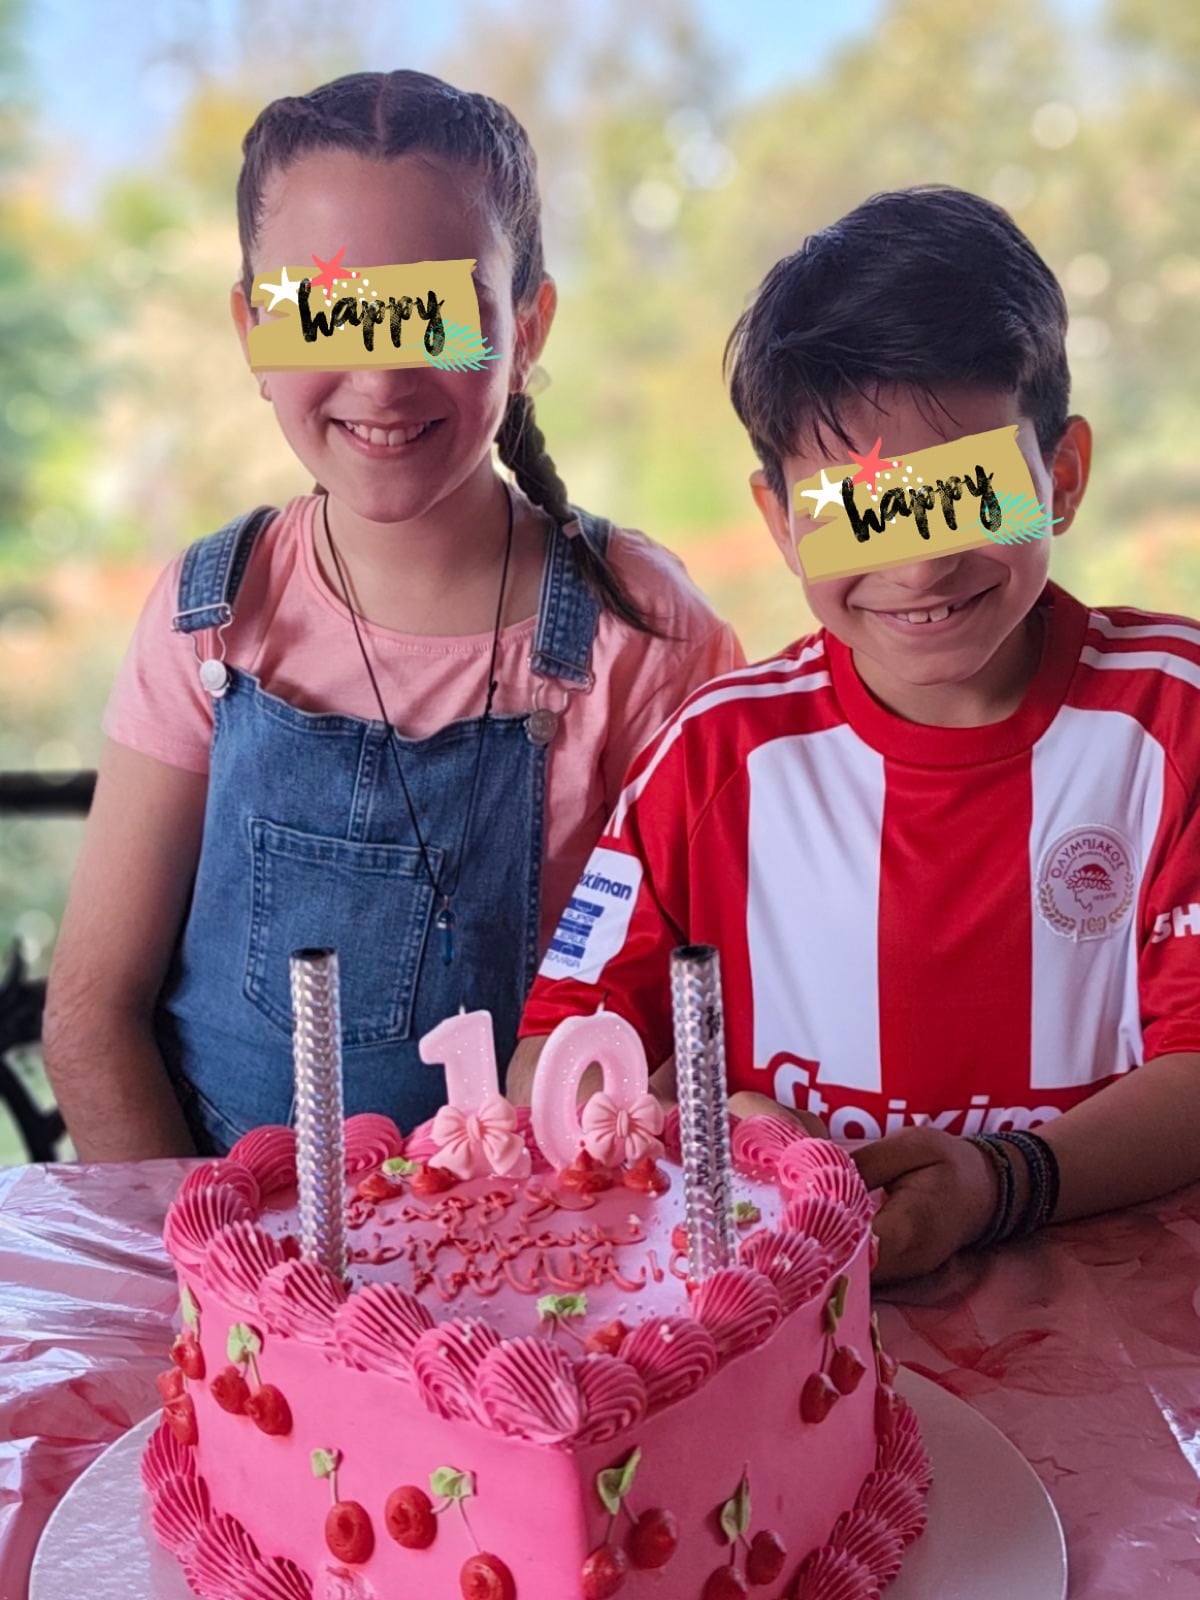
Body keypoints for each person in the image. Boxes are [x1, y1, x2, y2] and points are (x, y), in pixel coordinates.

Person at [43, 71, 741, 1160]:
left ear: (528, 327)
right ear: (252, 331)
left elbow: (707, 1022)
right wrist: (204, 1256)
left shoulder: (645, 636)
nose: (381, 375)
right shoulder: (209, 616)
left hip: (543, 1251)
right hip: (227, 1243)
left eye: (433, 315)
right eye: (329, 314)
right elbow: (92, 1017)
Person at [513, 185, 1200, 1283]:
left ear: (1062, 478)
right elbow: (555, 1054)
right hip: (786, 1332)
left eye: (966, 494)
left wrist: (1002, 1181)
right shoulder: (712, 759)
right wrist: (699, 1133)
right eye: (863, 512)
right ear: (781, 521)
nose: (921, 565)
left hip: (1125, 1328)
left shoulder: (1176, 718)